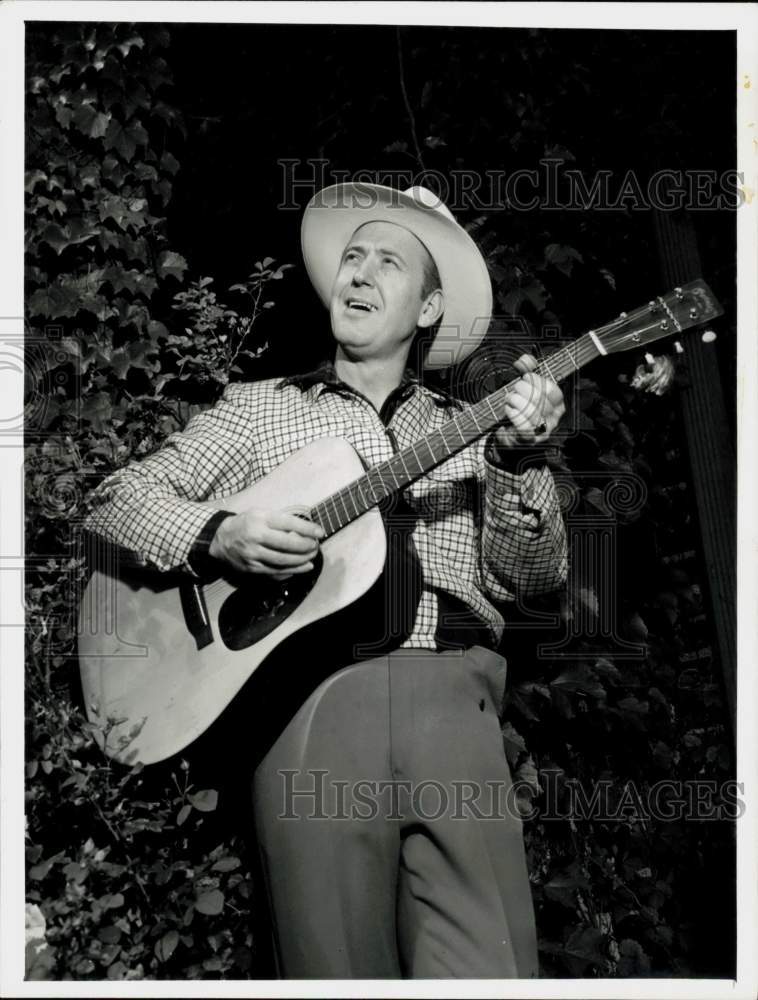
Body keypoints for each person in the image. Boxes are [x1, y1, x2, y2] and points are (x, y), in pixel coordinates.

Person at [83, 183, 568, 979]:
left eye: (388, 262)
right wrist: (217, 534)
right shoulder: (260, 409)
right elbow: (114, 502)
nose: (360, 273)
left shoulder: (477, 433)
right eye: (351, 257)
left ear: (427, 309)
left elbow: (534, 578)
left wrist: (520, 460)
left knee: (493, 968)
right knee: (329, 968)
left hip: (453, 703)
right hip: (309, 705)